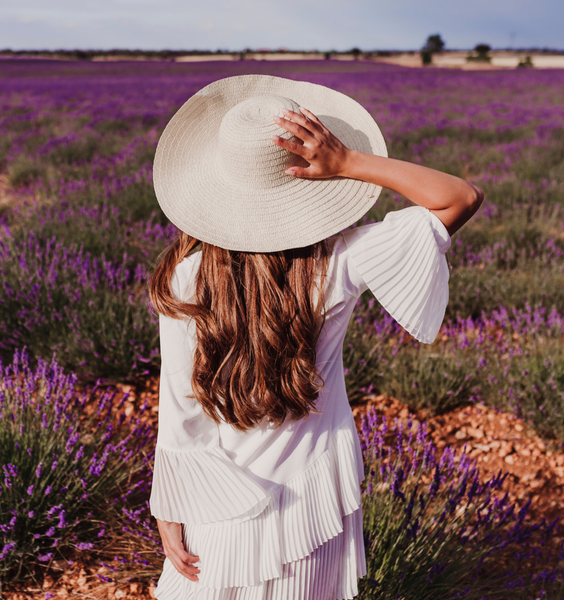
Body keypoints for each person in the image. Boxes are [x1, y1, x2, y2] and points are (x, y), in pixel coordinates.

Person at [146, 74, 483, 600]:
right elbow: (459, 197)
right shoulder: (338, 262)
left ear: (218, 181)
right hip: (310, 498)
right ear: (308, 174)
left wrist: (170, 505)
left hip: (218, 499)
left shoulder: (186, 277)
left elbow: (181, 406)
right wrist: (351, 162)